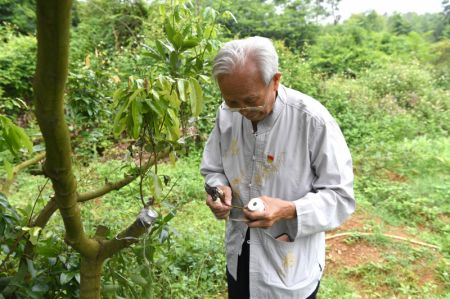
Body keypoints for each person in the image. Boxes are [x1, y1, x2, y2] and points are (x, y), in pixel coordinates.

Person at [200, 36, 355, 299]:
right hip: (240, 255)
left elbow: (340, 198)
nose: (242, 111)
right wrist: (218, 189)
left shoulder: (312, 121)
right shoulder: (227, 114)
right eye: (232, 102)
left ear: (275, 80)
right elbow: (213, 168)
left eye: (250, 100)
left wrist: (289, 210)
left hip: (290, 268)